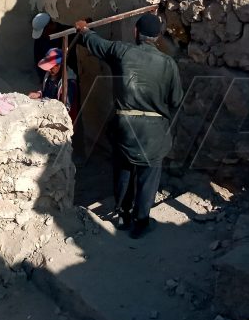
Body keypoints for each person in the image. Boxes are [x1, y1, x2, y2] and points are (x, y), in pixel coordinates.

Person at [74, 13, 184, 239]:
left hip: (125, 126)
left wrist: (84, 30)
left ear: (136, 32)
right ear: (157, 37)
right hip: (154, 130)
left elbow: (97, 44)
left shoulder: (121, 51)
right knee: (148, 175)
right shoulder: (168, 64)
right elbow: (175, 100)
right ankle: (141, 222)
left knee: (123, 170)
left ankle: (123, 215)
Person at [29, 48, 79, 122]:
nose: (48, 70)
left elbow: (65, 109)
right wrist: (39, 94)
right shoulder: (50, 75)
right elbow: (47, 92)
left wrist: (45, 103)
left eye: (51, 67)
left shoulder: (69, 84)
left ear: (59, 65)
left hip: (61, 120)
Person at [31, 12, 78, 84]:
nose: (42, 34)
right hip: (49, 80)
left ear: (49, 26)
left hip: (67, 77)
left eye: (43, 32)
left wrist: (87, 30)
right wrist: (43, 82)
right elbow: (38, 58)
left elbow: (84, 37)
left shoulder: (67, 33)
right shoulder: (40, 39)